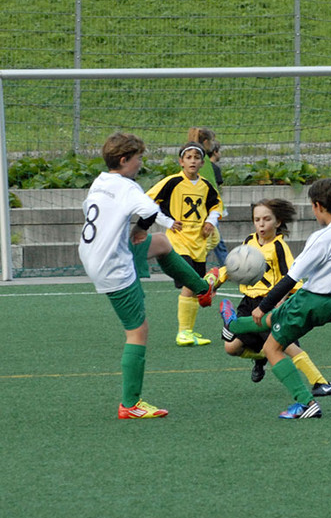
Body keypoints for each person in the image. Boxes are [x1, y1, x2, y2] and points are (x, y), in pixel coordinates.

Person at [78, 132, 217, 419]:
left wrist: (138, 232)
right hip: (112, 264)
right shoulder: (128, 187)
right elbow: (150, 211)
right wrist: (140, 229)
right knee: (137, 331)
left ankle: (202, 288)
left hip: (94, 252)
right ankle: (130, 405)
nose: (141, 163)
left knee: (162, 243)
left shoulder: (101, 181)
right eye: (138, 158)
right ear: (124, 160)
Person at [220, 178, 331, 419]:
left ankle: (306, 403)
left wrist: (263, 306)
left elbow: (291, 277)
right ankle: (233, 325)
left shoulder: (322, 237)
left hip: (313, 300)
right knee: (275, 319)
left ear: (317, 206)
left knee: (271, 348)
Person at [217, 198, 331, 397]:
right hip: (248, 304)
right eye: (257, 220)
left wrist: (281, 301)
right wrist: (216, 281)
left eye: (266, 219)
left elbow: (292, 277)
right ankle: (261, 357)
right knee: (231, 348)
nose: (261, 224)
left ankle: (320, 382)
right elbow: (235, 266)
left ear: (278, 222)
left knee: (287, 346)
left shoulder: (279, 247)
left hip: (270, 304)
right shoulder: (249, 242)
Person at [147, 141, 224, 346]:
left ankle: (188, 330)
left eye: (197, 158)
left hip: (199, 243)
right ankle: (183, 332)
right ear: (181, 162)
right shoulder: (171, 182)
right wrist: (167, 222)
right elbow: (147, 202)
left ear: (202, 163)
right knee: (190, 284)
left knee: (196, 287)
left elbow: (216, 206)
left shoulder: (206, 185)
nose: (192, 161)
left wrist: (211, 221)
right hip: (178, 241)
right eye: (188, 157)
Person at [207, 139, 229, 266]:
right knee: (218, 242)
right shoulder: (214, 168)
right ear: (215, 152)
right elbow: (217, 185)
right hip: (212, 208)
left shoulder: (205, 167)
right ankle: (228, 267)